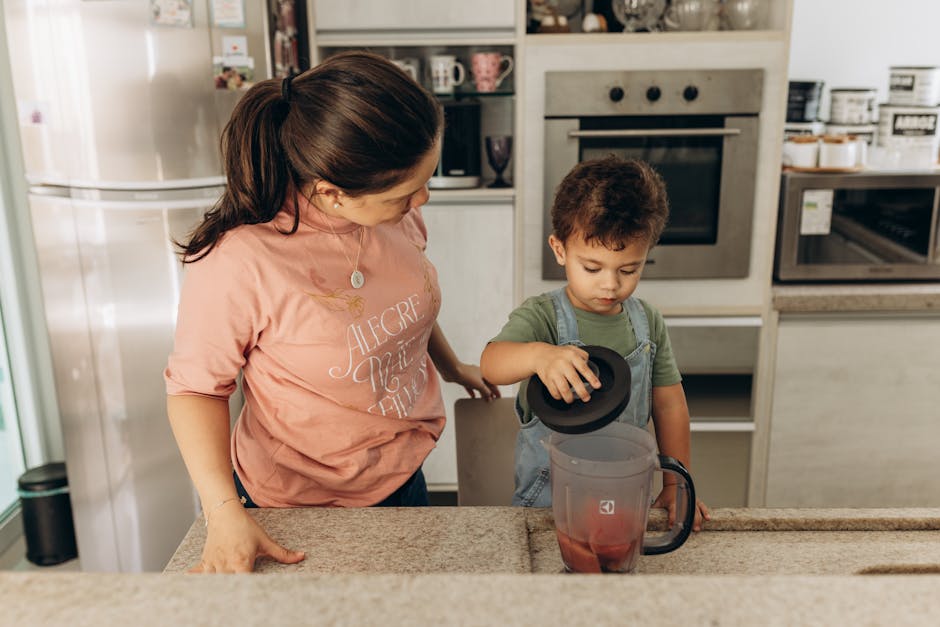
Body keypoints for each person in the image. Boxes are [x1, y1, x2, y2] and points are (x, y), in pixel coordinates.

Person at [165, 51, 499, 574]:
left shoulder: (395, 221)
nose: (423, 200)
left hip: (402, 477)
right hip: (294, 507)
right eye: (407, 192)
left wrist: (452, 366)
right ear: (331, 193)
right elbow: (194, 390)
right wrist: (223, 511)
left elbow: (400, 306)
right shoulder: (240, 260)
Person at [480, 156, 709, 531]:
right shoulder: (543, 317)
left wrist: (676, 484)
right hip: (547, 507)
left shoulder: (647, 322)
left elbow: (670, 406)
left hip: (623, 499)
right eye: (592, 268)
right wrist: (539, 355)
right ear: (559, 250)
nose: (610, 285)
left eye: (629, 270)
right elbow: (491, 363)